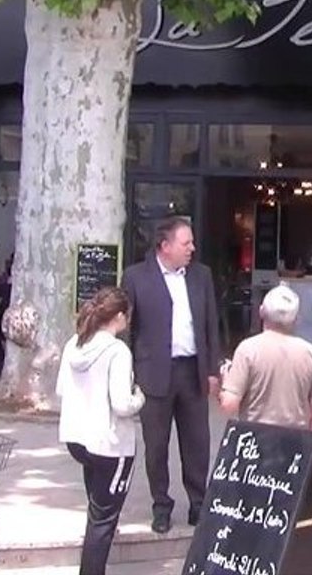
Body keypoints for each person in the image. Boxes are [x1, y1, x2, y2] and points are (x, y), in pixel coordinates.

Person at [121, 216, 221, 534]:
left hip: (192, 370)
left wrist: (213, 370)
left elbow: (211, 326)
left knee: (197, 441)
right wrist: (128, 372)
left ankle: (198, 503)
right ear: (165, 246)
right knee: (156, 445)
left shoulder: (200, 276)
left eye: (191, 242)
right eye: (185, 243)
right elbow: (127, 329)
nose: (192, 248)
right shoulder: (136, 277)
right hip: (154, 374)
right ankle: (161, 505)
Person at [57, 287, 145, 575]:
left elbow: (61, 389)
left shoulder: (74, 343)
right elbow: (122, 404)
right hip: (110, 444)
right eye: (127, 316)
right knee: (103, 521)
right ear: (119, 316)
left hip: (78, 438)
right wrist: (139, 397)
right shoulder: (117, 350)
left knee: (97, 509)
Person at [219, 284, 312, 431]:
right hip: (296, 442)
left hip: (254, 442)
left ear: (261, 312)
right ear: (297, 319)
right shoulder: (310, 353)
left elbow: (229, 406)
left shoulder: (247, 349)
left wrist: (226, 380)